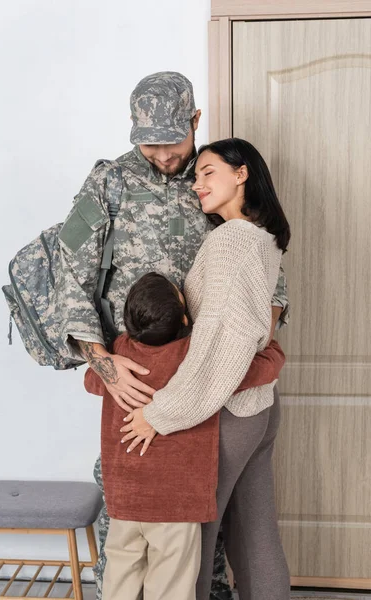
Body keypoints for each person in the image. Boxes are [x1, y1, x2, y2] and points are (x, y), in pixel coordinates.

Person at [56, 72, 290, 600]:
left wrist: (259, 354)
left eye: (172, 139)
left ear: (194, 121)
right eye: (149, 141)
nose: (162, 153)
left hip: (211, 383)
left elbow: (269, 283)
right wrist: (105, 367)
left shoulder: (214, 182)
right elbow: (68, 273)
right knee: (129, 529)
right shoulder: (108, 184)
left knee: (198, 535)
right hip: (136, 380)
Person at [121, 138, 292, 600]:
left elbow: (220, 341)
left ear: (242, 174)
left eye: (208, 172)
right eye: (195, 176)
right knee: (255, 530)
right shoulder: (261, 238)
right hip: (257, 407)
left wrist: (160, 413)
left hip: (229, 412)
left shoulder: (232, 241)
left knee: (190, 533)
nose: (197, 184)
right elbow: (257, 327)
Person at [85, 271, 285, 600]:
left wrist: (108, 362)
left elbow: (91, 383)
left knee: (119, 581)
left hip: (124, 499)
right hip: (175, 504)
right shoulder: (196, 358)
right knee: (172, 587)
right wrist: (273, 348)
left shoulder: (118, 357)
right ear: (183, 315)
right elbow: (256, 370)